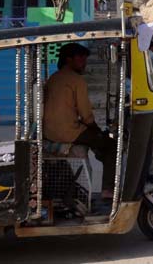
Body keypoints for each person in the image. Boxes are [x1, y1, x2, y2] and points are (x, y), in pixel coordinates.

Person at [43, 43, 116, 199]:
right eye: (80, 58)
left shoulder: (53, 78)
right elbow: (86, 115)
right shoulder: (77, 80)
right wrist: (95, 129)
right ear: (68, 59)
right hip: (68, 133)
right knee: (111, 145)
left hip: (50, 131)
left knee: (97, 139)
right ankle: (108, 190)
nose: (84, 61)